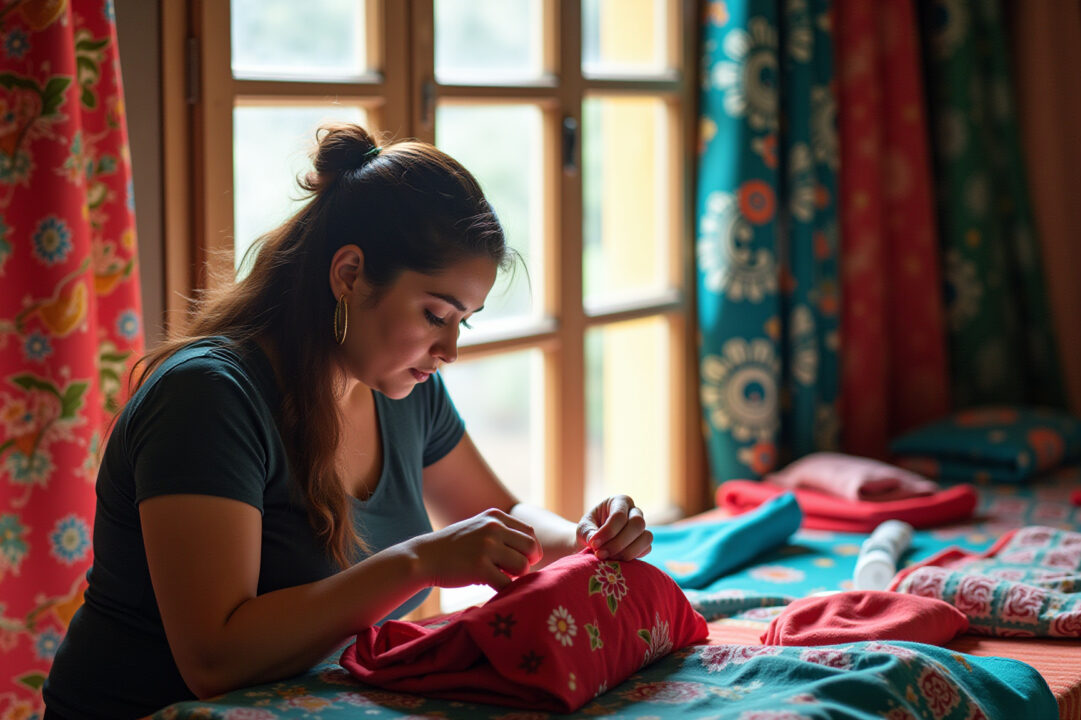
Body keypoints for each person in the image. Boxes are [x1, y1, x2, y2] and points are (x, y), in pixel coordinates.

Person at [42, 123, 653, 719]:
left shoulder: (401, 387)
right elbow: (215, 658)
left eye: (461, 322)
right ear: (350, 274)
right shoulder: (208, 399)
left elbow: (502, 518)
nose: (450, 350)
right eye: (436, 314)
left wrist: (582, 537)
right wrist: (420, 561)